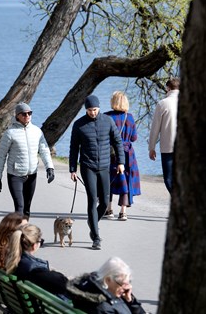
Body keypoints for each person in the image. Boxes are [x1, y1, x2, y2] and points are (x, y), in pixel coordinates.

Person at [69, 95, 124, 250]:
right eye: (89, 110)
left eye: (94, 110)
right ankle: (96, 236)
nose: (92, 113)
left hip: (105, 166)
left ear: (99, 108)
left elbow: (118, 142)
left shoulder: (108, 121)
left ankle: (92, 221)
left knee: (105, 202)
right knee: (92, 199)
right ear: (85, 109)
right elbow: (74, 148)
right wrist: (72, 168)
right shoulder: (79, 125)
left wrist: (121, 162)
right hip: (88, 166)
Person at [0, 103, 55, 218]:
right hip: (15, 175)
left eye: (29, 113)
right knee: (20, 208)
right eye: (24, 114)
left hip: (32, 174)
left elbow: (44, 150)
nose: (27, 115)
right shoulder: (9, 133)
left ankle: (23, 234)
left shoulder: (37, 131)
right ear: (17, 116)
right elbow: (1, 156)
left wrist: (50, 167)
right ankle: (18, 234)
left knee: (27, 208)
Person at [5, 223, 69, 300]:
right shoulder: (35, 269)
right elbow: (63, 285)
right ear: (34, 245)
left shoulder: (12, 261)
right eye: (41, 242)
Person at [104, 91, 141, 221]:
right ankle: (123, 211)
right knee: (125, 179)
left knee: (109, 179)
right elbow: (134, 137)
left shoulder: (106, 116)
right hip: (127, 152)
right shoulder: (129, 117)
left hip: (111, 152)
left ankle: (109, 209)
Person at [67, 257, 146, 314]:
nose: (127, 287)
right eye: (122, 284)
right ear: (108, 280)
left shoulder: (91, 289)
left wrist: (130, 301)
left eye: (128, 283)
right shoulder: (103, 306)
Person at [148, 77, 180, 195]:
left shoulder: (162, 104)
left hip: (168, 147)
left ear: (168, 88)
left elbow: (155, 129)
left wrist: (151, 148)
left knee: (169, 178)